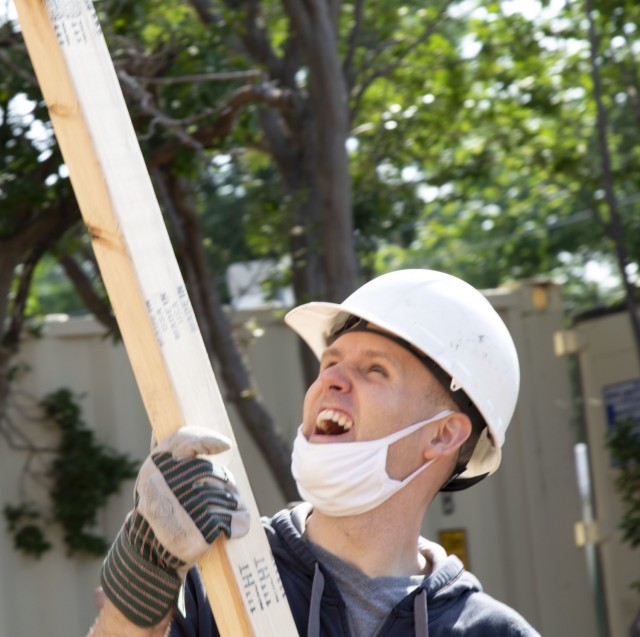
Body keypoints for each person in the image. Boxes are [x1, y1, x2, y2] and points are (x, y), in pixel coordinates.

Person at [88, 269, 541, 637]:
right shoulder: (220, 579)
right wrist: (146, 565)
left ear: (443, 436)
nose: (331, 381)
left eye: (374, 370)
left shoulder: (491, 632)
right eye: (330, 363)